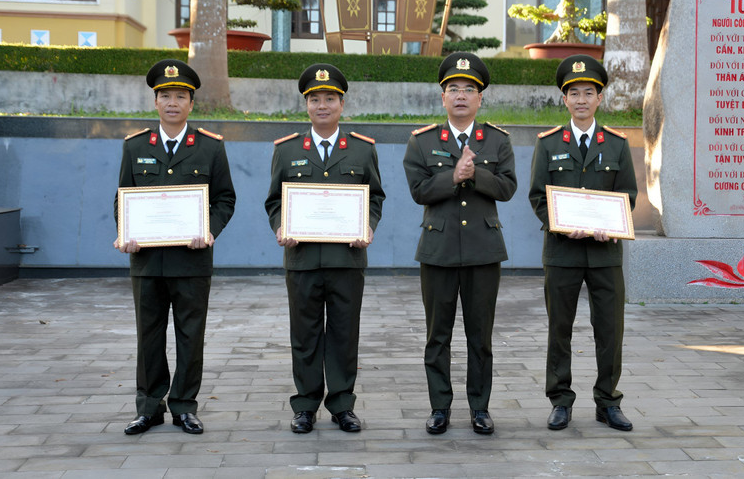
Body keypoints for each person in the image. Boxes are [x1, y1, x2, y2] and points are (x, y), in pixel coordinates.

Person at [114, 59, 236, 435]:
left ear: (191, 103)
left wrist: (209, 230)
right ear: (155, 101)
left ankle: (184, 405)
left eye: (180, 96)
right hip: (147, 261)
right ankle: (149, 407)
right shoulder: (135, 147)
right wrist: (125, 231)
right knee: (148, 336)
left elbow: (225, 199)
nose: (172, 102)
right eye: (165, 95)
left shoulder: (210, 148)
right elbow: (122, 198)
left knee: (190, 335)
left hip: (192, 260)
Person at [265, 63, 385, 434]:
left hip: (347, 258)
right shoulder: (287, 152)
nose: (322, 105)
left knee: (344, 335)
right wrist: (281, 225)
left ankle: (342, 405)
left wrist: (367, 224)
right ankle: (304, 406)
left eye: (329, 99)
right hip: (301, 259)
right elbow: (273, 201)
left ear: (342, 104)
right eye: (314, 99)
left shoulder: (362, 151)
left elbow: (375, 196)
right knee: (305, 334)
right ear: (306, 105)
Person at [402, 52, 517, 435]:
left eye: (470, 89)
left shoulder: (497, 141)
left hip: (484, 251)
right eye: (454, 89)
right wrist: (453, 175)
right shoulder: (422, 141)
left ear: (480, 98)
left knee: (480, 335)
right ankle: (439, 407)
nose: (461, 95)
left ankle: (480, 408)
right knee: (438, 335)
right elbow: (419, 191)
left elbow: (508, 187)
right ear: (443, 97)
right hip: (438, 251)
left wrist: (475, 174)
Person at [528, 54, 638, 432]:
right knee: (560, 329)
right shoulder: (548, 144)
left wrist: (614, 223)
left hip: (605, 254)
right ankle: (560, 400)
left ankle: (608, 401)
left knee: (610, 330)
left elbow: (628, 195)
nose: (581, 99)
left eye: (588, 93)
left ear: (599, 98)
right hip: (562, 253)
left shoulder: (618, 144)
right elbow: (538, 198)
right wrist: (559, 226)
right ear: (565, 99)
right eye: (573, 93)